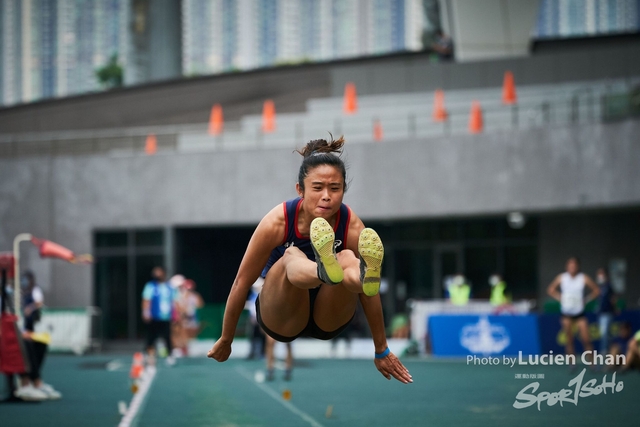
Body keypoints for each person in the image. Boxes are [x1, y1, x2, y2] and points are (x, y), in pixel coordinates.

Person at [207, 136, 412, 384]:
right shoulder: (278, 221)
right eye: (317, 188)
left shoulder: (352, 225)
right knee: (292, 255)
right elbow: (242, 281)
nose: (326, 196)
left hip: (329, 314)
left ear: (343, 190)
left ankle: (354, 274)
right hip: (282, 316)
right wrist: (226, 338)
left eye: (335, 189)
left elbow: (369, 293)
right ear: (300, 190)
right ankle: (323, 270)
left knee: (348, 256)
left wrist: (382, 349)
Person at [547, 257, 600, 363]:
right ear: (567, 266)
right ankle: (572, 363)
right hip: (566, 313)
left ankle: (593, 363)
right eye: (570, 265)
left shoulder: (583, 277)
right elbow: (550, 290)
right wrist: (561, 298)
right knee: (569, 339)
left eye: (574, 265)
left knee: (586, 339)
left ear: (578, 266)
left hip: (579, 313)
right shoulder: (562, 277)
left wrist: (586, 300)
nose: (572, 267)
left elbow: (596, 290)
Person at [142, 266, 178, 366]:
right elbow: (146, 300)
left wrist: (175, 315)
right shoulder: (150, 286)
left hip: (166, 317)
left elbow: (174, 302)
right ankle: (147, 355)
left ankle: (170, 355)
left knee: (167, 336)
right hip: (154, 316)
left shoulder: (169, 287)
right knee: (151, 337)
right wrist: (146, 312)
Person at [595, 267, 617, 354]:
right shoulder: (599, 287)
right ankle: (608, 351)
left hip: (608, 313)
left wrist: (614, 308)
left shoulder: (609, 286)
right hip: (601, 313)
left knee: (606, 334)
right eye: (598, 274)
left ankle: (605, 352)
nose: (600, 276)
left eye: (601, 274)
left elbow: (613, 299)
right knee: (604, 334)